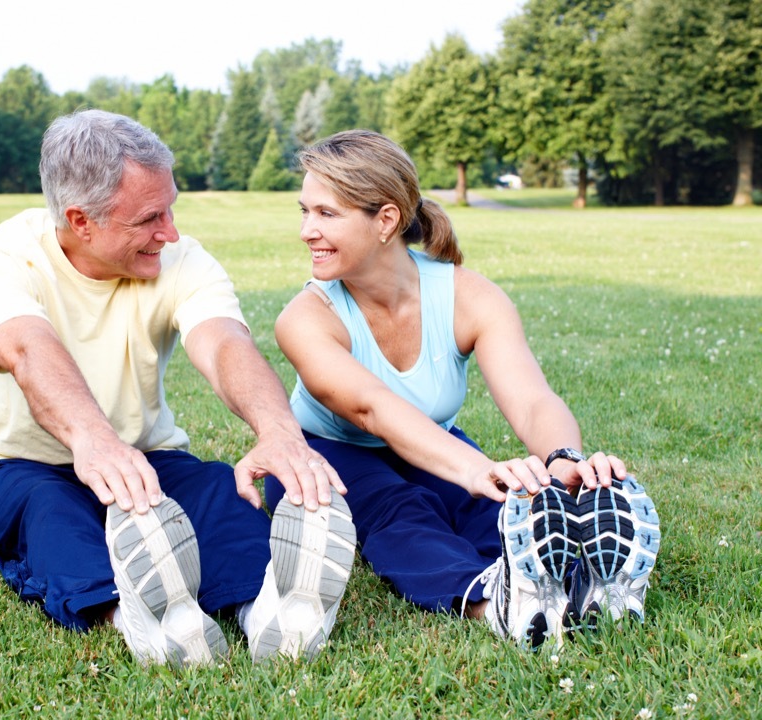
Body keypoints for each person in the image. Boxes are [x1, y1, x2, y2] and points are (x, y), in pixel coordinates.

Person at [0, 109, 356, 667]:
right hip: (13, 464)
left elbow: (223, 343)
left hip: (145, 456)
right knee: (51, 512)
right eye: (149, 218)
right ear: (80, 220)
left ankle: (265, 611)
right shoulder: (2, 257)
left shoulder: (178, 259)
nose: (171, 231)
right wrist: (93, 440)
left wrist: (278, 432)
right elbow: (26, 349)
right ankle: (134, 617)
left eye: (171, 207)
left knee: (216, 492)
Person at [268, 129, 661, 650]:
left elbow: (531, 397)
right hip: (327, 454)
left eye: (325, 214)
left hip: (433, 439)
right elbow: (373, 409)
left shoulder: (467, 295)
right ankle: (492, 599)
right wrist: (475, 468)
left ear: (385, 220)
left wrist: (562, 460)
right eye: (305, 212)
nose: (306, 231)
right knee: (401, 513)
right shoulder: (306, 317)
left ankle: (581, 582)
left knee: (499, 506)